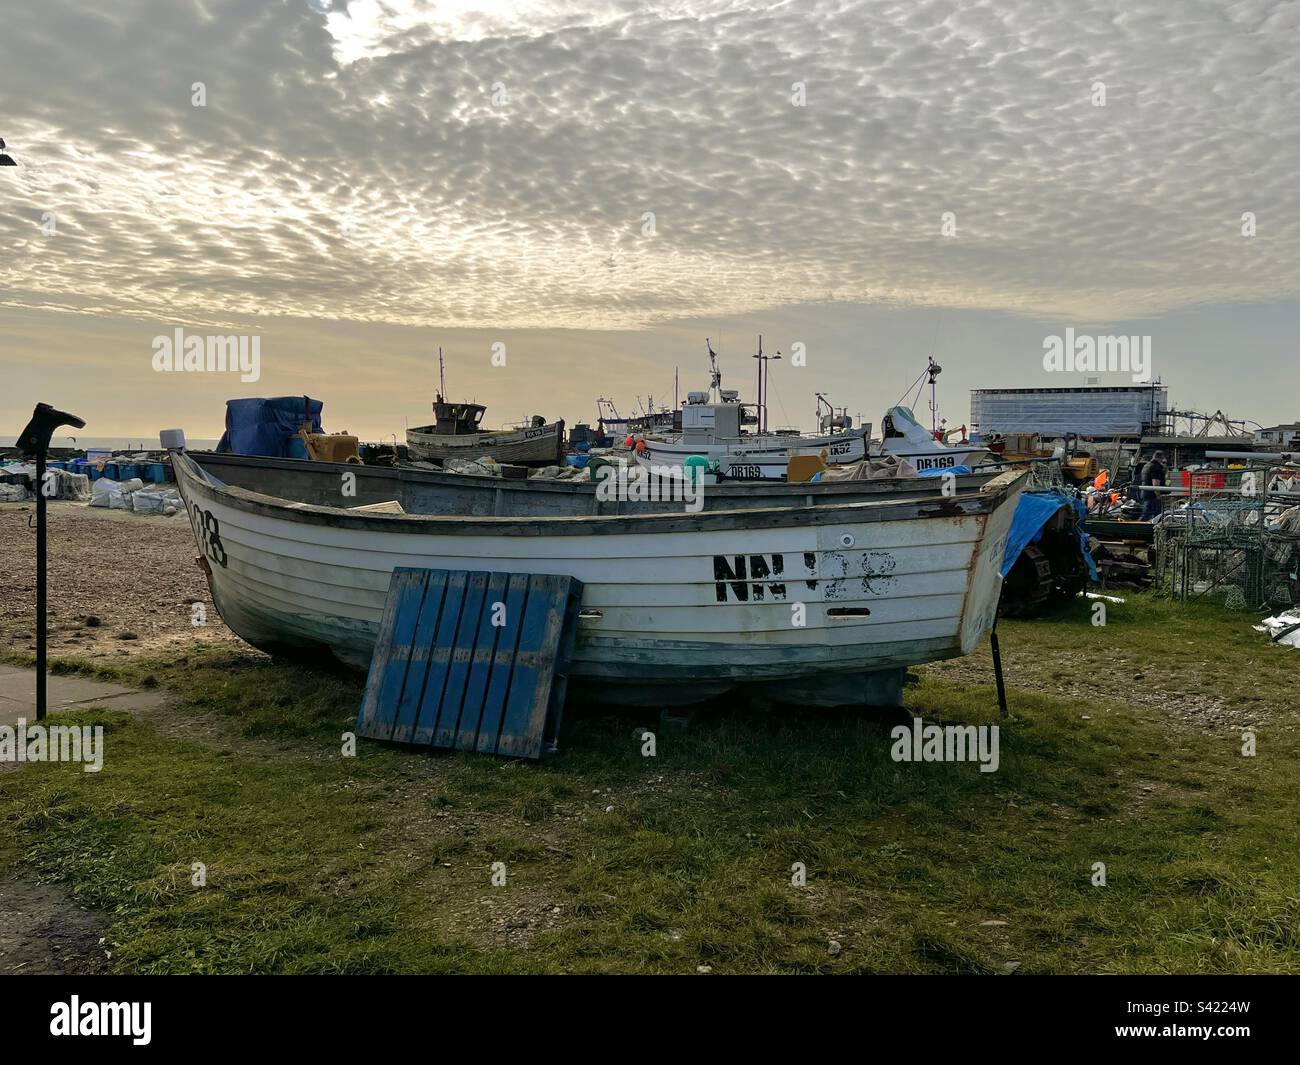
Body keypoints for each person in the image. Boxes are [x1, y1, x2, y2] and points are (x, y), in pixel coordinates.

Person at [1141, 450, 1167, 521]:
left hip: (1145, 493)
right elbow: (1155, 484)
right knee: (1156, 516)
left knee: (1146, 513)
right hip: (1153, 495)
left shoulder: (1146, 466)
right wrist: (1158, 496)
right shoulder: (1156, 467)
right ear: (1161, 458)